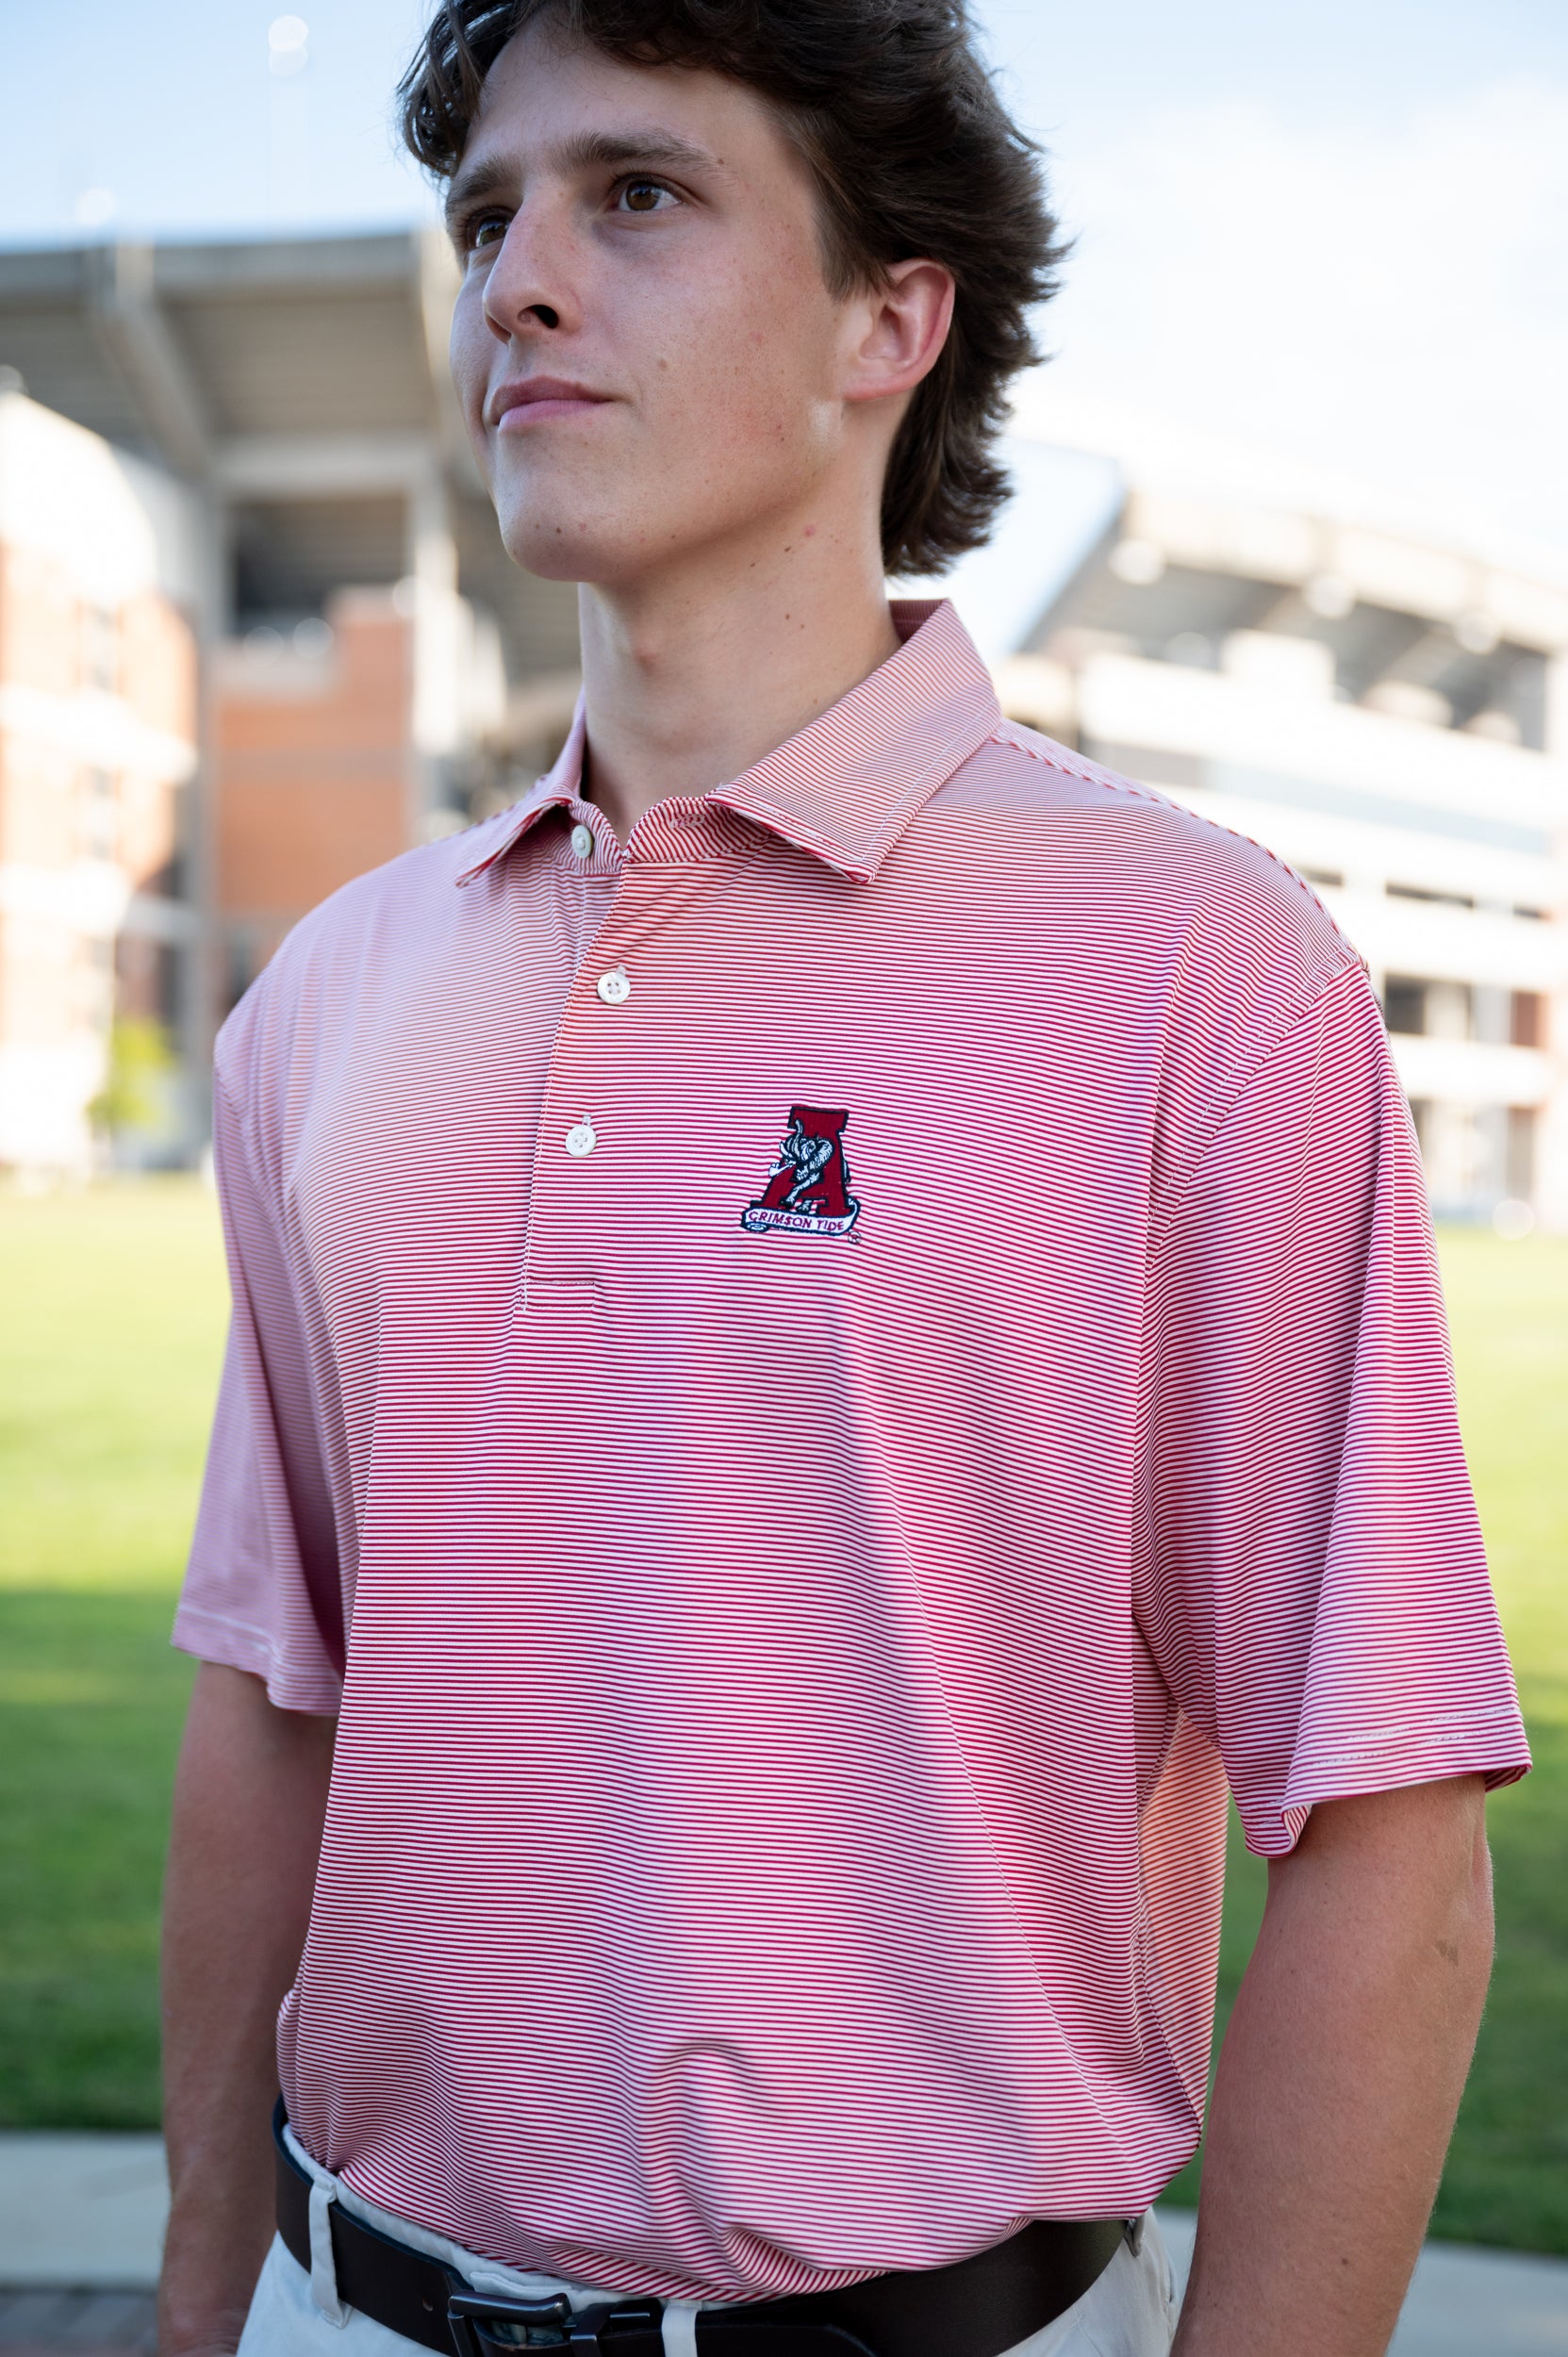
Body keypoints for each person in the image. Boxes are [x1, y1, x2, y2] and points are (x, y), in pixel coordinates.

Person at [157, 5, 1530, 2355]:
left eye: (640, 196)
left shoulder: (1196, 966)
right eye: (488, 214)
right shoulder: (324, 1000)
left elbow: (1388, 1833)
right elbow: (276, 1705)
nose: (516, 282)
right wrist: (199, 2308)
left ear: (894, 320)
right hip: (341, 2311)